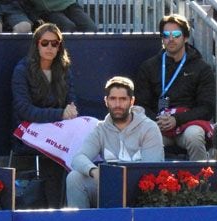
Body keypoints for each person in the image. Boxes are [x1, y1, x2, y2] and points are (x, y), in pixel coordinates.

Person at [67, 76, 164, 208]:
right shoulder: (100, 129)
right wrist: (95, 172)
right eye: (113, 99)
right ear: (106, 101)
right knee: (74, 178)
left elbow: (152, 170)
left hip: (141, 190)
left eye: (123, 99)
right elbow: (78, 158)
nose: (117, 104)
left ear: (132, 101)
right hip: (109, 187)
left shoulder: (149, 127)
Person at [12, 22, 77, 207]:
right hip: (28, 128)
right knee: (54, 154)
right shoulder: (22, 70)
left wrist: (71, 110)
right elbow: (24, 110)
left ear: (59, 46)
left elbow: (72, 101)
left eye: (54, 44)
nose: (50, 47)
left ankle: (71, 202)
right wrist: (60, 114)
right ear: (36, 44)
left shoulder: (63, 69)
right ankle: (54, 205)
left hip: (58, 126)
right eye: (45, 43)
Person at [135, 13, 215, 161]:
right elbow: (140, 104)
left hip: (188, 124)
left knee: (195, 136)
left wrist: (177, 120)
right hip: (158, 125)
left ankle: (202, 180)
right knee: (141, 139)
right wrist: (156, 121)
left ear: (185, 37)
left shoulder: (201, 68)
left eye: (176, 34)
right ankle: (150, 182)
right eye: (166, 35)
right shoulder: (149, 67)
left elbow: (207, 108)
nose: (171, 39)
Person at [21, 0, 97, 32]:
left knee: (91, 28)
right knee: (68, 27)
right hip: (47, 10)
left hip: (70, 4)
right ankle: (65, 61)